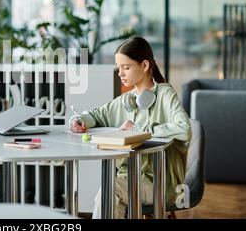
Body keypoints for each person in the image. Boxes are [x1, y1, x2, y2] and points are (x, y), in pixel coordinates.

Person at [70, 36, 191, 218]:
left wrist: (141, 130)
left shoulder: (166, 94)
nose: (120, 73)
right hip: (127, 180)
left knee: (110, 191)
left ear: (144, 65)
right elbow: (94, 115)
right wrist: (78, 121)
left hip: (158, 182)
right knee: (110, 195)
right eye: (119, 68)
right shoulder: (126, 101)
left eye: (126, 68)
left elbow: (185, 128)